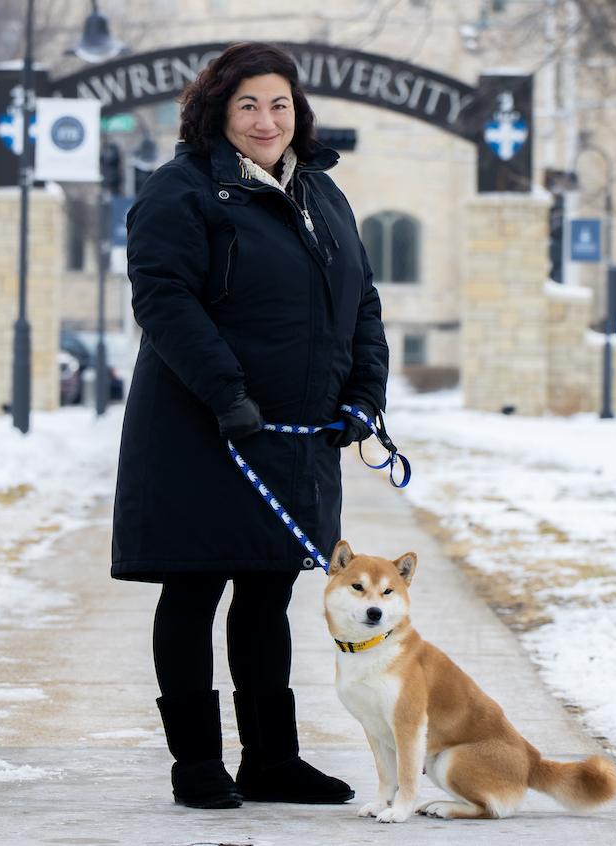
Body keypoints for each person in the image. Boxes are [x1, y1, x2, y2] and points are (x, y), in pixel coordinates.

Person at [111, 42, 389, 810]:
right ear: (217, 112)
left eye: (280, 105)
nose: (268, 120)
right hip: (205, 427)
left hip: (295, 433)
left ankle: (272, 760)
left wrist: (366, 391)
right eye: (249, 105)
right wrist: (227, 393)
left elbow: (359, 299)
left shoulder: (322, 193)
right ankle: (196, 764)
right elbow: (163, 298)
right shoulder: (183, 190)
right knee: (194, 589)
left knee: (267, 595)